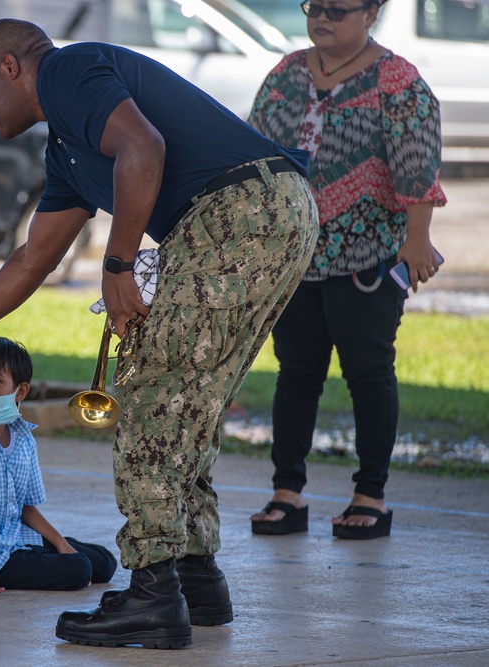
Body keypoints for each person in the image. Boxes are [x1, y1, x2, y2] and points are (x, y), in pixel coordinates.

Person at [0, 19, 318, 649]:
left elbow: (143, 148)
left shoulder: (69, 71)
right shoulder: (66, 148)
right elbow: (32, 258)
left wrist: (119, 264)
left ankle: (154, 595)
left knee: (151, 402)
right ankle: (194, 577)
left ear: (14, 67)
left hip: (239, 212)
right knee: (188, 405)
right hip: (273, 213)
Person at [246, 0, 447, 540]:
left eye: (338, 8)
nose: (322, 18)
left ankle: (370, 496)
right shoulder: (285, 73)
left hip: (368, 258)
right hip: (295, 259)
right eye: (314, 6)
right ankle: (287, 493)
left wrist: (417, 239)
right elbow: (253, 152)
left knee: (368, 374)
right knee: (296, 375)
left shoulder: (396, 79)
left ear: (373, 12)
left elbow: (417, 163)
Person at [0, 337, 117, 598]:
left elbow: (26, 508)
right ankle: (57, 562)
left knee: (104, 561)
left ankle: (60, 555)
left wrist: (61, 544)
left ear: (20, 392)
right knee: (79, 569)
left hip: (15, 538)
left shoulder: (22, 436)